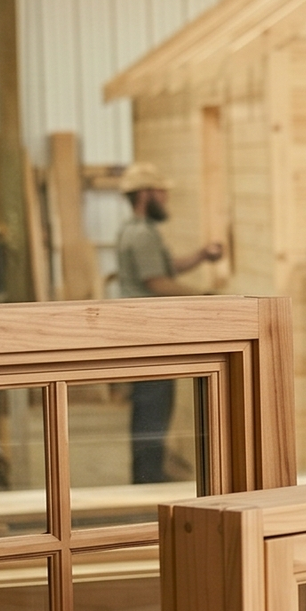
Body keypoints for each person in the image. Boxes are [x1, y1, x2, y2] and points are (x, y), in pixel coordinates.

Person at [113, 162, 223, 483]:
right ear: (146, 194)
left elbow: (166, 267)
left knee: (151, 405)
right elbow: (157, 282)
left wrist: (202, 255)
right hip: (149, 335)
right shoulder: (142, 234)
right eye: (162, 192)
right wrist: (205, 296)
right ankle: (147, 477)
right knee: (152, 406)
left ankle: (146, 473)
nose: (166, 199)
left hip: (144, 332)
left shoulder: (134, 230)